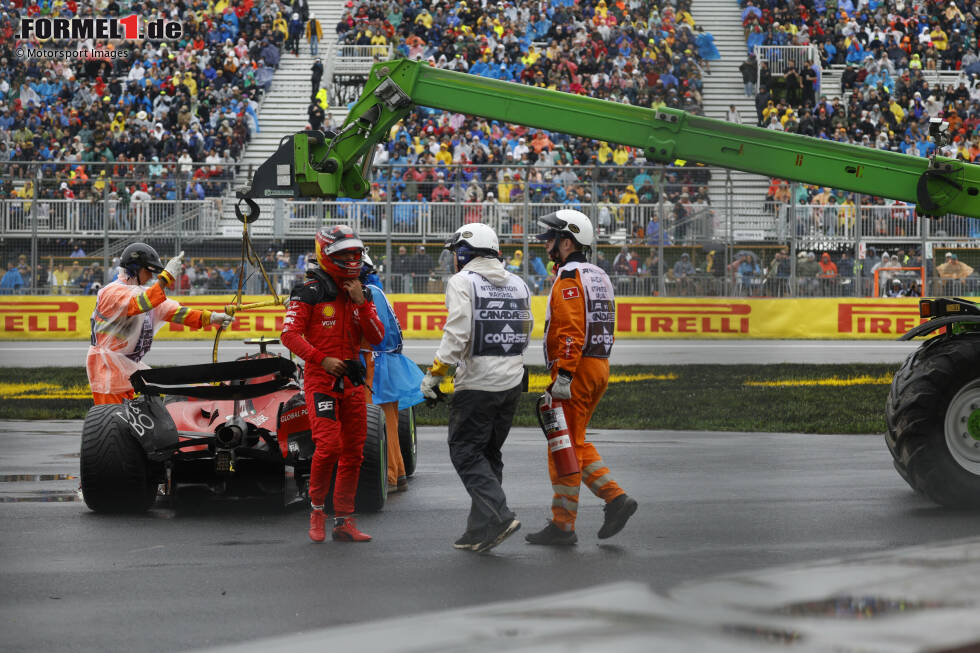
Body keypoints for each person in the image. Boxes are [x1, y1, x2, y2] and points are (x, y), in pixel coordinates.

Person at [526, 209, 637, 546]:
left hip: (577, 369)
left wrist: (564, 375)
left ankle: (564, 525)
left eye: (552, 237)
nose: (546, 243)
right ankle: (614, 499)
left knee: (561, 447)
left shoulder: (570, 277)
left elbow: (572, 330)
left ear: (568, 241)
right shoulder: (598, 274)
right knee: (574, 442)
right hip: (598, 365)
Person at [419, 223, 530, 554]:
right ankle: (479, 529)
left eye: (455, 252)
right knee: (489, 454)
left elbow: (457, 333)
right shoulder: (519, 283)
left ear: (465, 253)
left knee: (465, 450)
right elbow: (526, 329)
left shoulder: (462, 281)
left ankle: (500, 515)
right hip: (511, 383)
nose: (454, 259)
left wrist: (435, 375)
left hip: (478, 384)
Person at [280, 225, 385, 544]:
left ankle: (344, 521)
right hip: (321, 380)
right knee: (328, 446)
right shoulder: (307, 291)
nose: (352, 259)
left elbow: (378, 337)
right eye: (344, 254)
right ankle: (316, 512)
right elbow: (289, 335)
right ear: (327, 254)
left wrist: (362, 303)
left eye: (355, 253)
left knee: (353, 452)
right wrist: (320, 359)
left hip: (352, 382)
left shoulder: (362, 293)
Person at [86, 243, 233, 405]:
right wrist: (166, 277)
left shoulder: (141, 292)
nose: (150, 277)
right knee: (112, 423)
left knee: (140, 416)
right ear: (133, 268)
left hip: (126, 367)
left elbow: (176, 312)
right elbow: (141, 304)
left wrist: (212, 318)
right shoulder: (112, 292)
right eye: (148, 271)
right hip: (107, 370)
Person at [358, 254, 424, 494]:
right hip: (387, 364)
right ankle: (397, 474)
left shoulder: (366, 294)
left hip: (372, 366)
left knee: (372, 426)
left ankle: (389, 476)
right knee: (389, 425)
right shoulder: (377, 291)